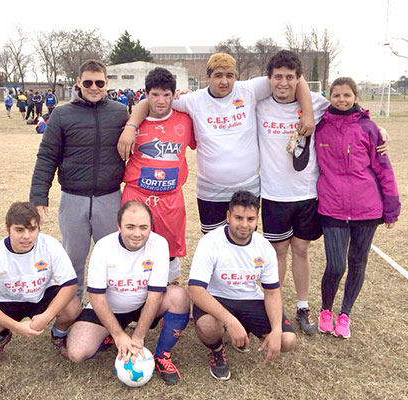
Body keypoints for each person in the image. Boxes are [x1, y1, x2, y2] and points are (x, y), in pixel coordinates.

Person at [119, 53, 315, 235]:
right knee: (213, 244)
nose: (224, 81)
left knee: (243, 241)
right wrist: (130, 127)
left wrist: (307, 114)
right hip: (210, 190)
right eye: (218, 75)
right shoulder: (194, 100)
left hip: (247, 186)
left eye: (229, 75)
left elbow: (296, 78)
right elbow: (150, 101)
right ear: (208, 76)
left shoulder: (249, 90)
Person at [30, 59, 128, 299]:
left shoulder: (119, 112)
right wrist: (38, 197)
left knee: (113, 259)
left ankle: (111, 308)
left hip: (110, 197)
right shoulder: (61, 114)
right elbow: (47, 157)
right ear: (78, 82)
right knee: (72, 259)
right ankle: (71, 309)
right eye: (88, 83)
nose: (94, 88)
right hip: (73, 198)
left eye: (99, 83)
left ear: (106, 83)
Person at [66, 201, 190, 385]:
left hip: (142, 306)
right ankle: (111, 336)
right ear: (119, 226)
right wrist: (118, 335)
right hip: (110, 309)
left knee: (179, 296)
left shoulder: (159, 244)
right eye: (130, 227)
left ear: (151, 227)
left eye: (143, 227)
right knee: (77, 353)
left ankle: (162, 355)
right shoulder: (103, 247)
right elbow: (96, 297)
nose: (137, 233)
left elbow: (155, 295)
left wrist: (139, 336)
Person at [315, 77, 400, 339]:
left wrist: (391, 208)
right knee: (336, 265)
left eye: (347, 95)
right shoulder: (319, 127)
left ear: (355, 97)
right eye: (336, 95)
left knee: (357, 263)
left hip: (367, 210)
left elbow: (384, 170)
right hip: (332, 208)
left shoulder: (369, 128)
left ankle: (345, 314)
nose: (341, 100)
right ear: (329, 97)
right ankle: (325, 310)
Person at [256, 51, 330, 336]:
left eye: (290, 77)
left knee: (300, 249)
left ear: (299, 79)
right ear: (269, 78)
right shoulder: (260, 104)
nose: (283, 83)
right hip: (274, 194)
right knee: (277, 252)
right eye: (278, 76)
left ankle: (302, 306)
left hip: (306, 194)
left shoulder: (316, 104)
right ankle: (275, 308)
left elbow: (350, 113)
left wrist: (379, 130)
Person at [188, 191, 296, 381]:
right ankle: (217, 349)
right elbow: (195, 290)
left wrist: (276, 329)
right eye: (238, 218)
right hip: (217, 298)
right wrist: (230, 321)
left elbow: (272, 292)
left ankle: (244, 328)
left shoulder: (264, 247)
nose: (244, 224)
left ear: (257, 219)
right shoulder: (210, 242)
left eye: (250, 219)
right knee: (208, 326)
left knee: (287, 340)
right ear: (228, 216)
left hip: (250, 299)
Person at [0, 202, 82, 365]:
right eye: (19, 230)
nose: (27, 236)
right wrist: (17, 327)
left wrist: (47, 316)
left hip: (40, 295)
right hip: (6, 301)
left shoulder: (50, 245)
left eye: (32, 229)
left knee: (73, 307)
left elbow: (70, 284)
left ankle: (59, 336)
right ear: (7, 229)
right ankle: (1, 336)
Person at [121, 67, 195, 284]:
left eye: (166, 94)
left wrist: (191, 96)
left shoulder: (186, 119)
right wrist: (130, 126)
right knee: (133, 247)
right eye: (155, 94)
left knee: (169, 252)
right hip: (137, 196)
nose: (161, 100)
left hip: (170, 200)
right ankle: (133, 294)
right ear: (146, 94)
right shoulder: (133, 122)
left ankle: (169, 294)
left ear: (173, 95)